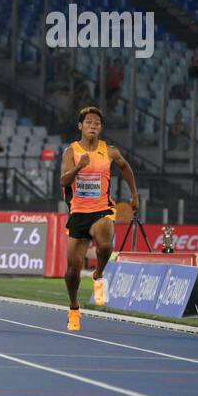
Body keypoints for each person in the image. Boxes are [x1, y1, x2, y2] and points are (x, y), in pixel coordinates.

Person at [60, 106, 138, 331]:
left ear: (100, 128)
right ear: (80, 126)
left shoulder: (109, 151)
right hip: (78, 214)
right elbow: (64, 182)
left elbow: (126, 167)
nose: (93, 126)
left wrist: (134, 195)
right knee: (72, 271)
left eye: (97, 123)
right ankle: (74, 308)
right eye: (89, 122)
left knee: (105, 245)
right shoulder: (71, 152)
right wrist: (79, 167)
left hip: (102, 210)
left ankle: (98, 275)